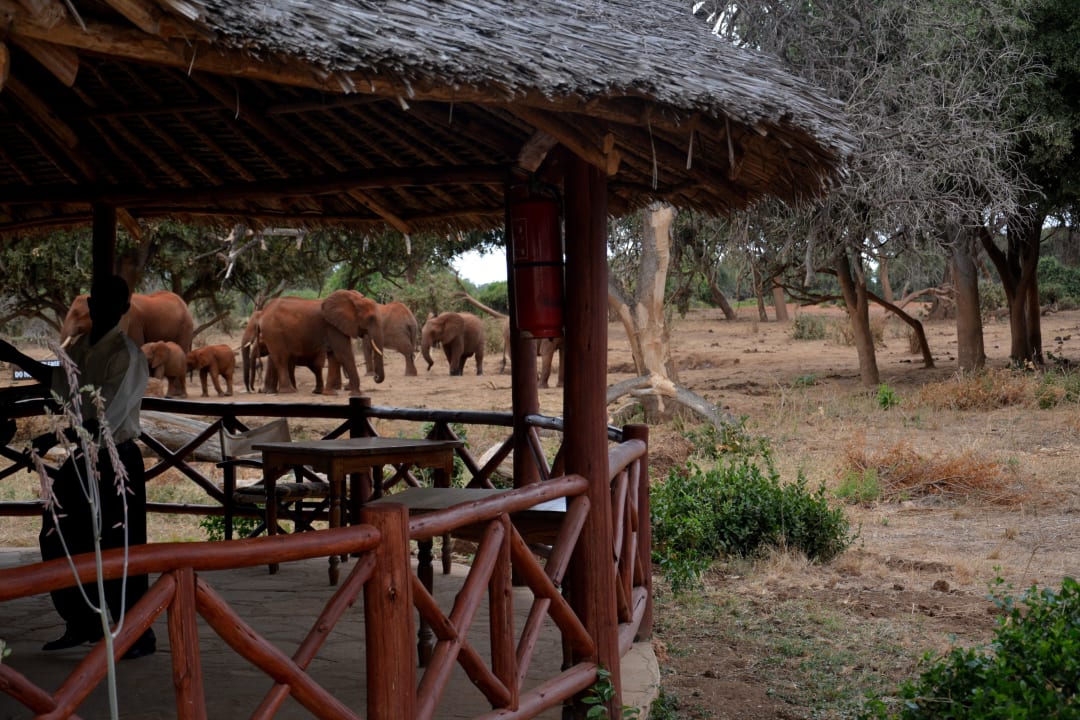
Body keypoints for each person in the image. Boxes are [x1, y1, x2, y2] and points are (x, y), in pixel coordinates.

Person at [0, 274, 155, 659]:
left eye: (111, 301)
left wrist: (52, 438)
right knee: (59, 535)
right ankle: (82, 621)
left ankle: (135, 633)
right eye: (97, 299)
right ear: (91, 302)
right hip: (85, 456)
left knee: (122, 545)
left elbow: (107, 416)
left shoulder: (127, 356)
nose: (101, 306)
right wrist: (14, 357)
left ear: (123, 308)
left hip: (115, 457)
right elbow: (60, 384)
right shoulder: (86, 347)